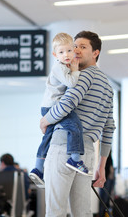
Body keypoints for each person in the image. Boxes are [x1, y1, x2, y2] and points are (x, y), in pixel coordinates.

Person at [40, 30, 116, 217]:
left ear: (95, 53)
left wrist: (45, 119)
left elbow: (68, 102)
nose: (76, 51)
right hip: (87, 154)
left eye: (83, 47)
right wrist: (102, 166)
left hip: (64, 145)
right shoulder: (108, 86)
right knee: (82, 212)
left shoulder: (83, 76)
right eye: (74, 46)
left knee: (55, 210)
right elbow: (109, 127)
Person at [30, 32, 90, 189]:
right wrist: (76, 69)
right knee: (75, 126)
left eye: (69, 51)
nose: (67, 55)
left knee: (48, 137)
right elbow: (71, 83)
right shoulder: (59, 67)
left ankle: (38, 168)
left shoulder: (62, 66)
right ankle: (75, 158)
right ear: (55, 54)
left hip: (48, 106)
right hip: (53, 107)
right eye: (62, 52)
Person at [99, 150, 115, 217]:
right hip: (106, 179)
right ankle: (102, 214)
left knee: (107, 199)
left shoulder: (109, 156)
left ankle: (105, 214)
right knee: (104, 199)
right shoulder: (104, 156)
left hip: (109, 178)